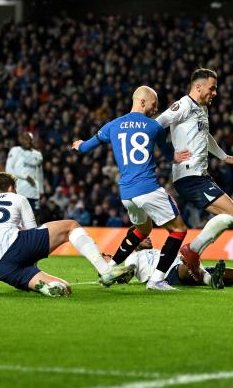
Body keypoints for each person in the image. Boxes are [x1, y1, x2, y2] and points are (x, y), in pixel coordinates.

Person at [72, 86, 190, 291]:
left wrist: (78, 145)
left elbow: (86, 147)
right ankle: (157, 280)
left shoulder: (112, 125)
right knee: (179, 230)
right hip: (148, 188)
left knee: (143, 229)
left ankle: (108, 268)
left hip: (126, 193)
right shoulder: (154, 127)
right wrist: (176, 156)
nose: (156, 108)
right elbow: (167, 151)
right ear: (142, 102)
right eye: (154, 104)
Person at [0, 172, 133, 297]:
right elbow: (33, 231)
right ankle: (105, 270)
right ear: (10, 187)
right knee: (71, 225)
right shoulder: (16, 198)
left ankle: (46, 288)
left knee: (64, 288)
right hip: (16, 247)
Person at [156, 68, 233, 276]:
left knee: (227, 216)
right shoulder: (183, 105)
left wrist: (223, 156)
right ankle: (192, 250)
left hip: (199, 176)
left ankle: (193, 257)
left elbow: (206, 136)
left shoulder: (202, 108)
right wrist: (170, 154)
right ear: (198, 87)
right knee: (232, 212)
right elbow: (157, 126)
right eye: (212, 88)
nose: (214, 93)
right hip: (189, 176)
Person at [122, 238, 233, 290]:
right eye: (143, 237)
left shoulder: (160, 249)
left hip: (192, 269)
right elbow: (127, 274)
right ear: (136, 242)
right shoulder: (133, 257)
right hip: (172, 274)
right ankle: (208, 277)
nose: (149, 237)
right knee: (188, 262)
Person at [5, 132, 44, 223]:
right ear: (21, 140)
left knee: (35, 216)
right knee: (17, 217)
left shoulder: (37, 154)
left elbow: (40, 173)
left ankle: (34, 235)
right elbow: (8, 169)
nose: (28, 141)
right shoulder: (15, 150)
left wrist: (41, 190)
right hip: (19, 191)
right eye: (25, 138)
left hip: (34, 192)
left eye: (29, 138)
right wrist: (25, 177)